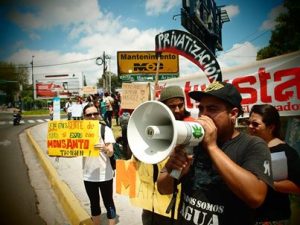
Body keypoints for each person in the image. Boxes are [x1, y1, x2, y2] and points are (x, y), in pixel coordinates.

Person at [157, 81, 274, 225]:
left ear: (233, 114)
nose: (204, 115)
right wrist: (175, 172)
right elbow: (163, 189)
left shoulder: (253, 145)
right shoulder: (193, 143)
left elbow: (256, 197)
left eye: (212, 109)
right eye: (201, 108)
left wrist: (212, 147)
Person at [141, 85, 194, 225]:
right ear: (163, 108)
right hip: (150, 205)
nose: (177, 110)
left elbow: (180, 169)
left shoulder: (191, 127)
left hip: (175, 206)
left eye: (180, 105)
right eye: (172, 106)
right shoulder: (154, 127)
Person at [247, 104, 300, 225]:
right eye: (248, 122)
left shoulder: (286, 152)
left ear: (271, 127)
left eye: (255, 124)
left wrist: (267, 183)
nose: (250, 127)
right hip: (249, 216)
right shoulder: (251, 148)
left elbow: (297, 187)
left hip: (273, 217)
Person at [82, 103, 116, 225]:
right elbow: (73, 150)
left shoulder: (105, 129)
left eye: (95, 113)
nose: (92, 116)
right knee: (94, 203)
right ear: (84, 117)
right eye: (89, 114)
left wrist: (105, 148)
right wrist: (58, 152)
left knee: (108, 202)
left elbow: (111, 151)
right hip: (89, 175)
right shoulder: (80, 131)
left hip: (104, 175)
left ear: (98, 114)